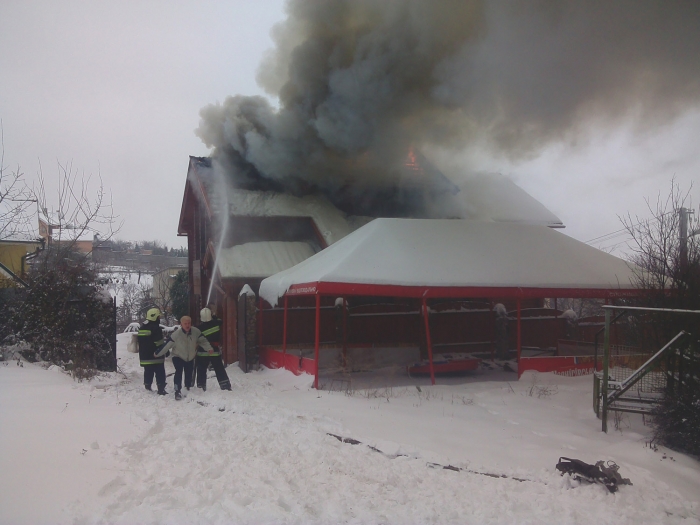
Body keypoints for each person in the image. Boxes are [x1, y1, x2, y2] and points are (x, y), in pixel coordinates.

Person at [155, 315, 213, 400]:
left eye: (189, 323)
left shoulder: (196, 332)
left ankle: (188, 387)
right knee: (179, 371)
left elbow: (203, 341)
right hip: (178, 356)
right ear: (181, 324)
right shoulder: (176, 334)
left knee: (189, 372)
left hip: (190, 357)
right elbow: (167, 346)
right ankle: (177, 390)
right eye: (185, 323)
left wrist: (209, 348)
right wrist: (157, 354)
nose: (187, 325)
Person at [196, 307, 231, 391]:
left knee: (201, 369)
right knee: (219, 368)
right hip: (214, 351)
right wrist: (214, 316)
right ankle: (225, 385)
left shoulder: (199, 328)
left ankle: (201, 385)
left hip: (202, 352)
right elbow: (220, 320)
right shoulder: (216, 323)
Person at [138, 308, 167, 395]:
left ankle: (147, 386)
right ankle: (161, 389)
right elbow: (159, 343)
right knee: (160, 372)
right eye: (158, 317)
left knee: (148, 372)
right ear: (154, 317)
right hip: (156, 356)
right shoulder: (156, 328)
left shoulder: (142, 327)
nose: (159, 319)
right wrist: (166, 350)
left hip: (145, 356)